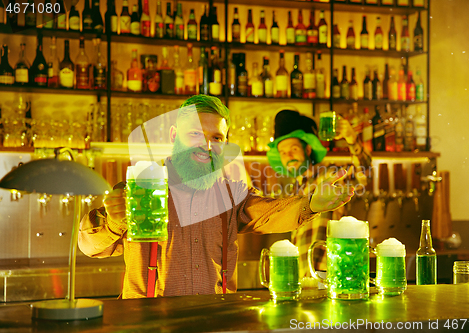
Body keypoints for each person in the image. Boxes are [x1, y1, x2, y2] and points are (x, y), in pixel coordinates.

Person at [78, 95, 354, 299]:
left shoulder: (232, 194)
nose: (207, 146)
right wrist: (114, 220)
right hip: (148, 324)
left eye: (217, 138)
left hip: (216, 321)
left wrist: (313, 203)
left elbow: (270, 213)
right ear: (175, 135)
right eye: (195, 133)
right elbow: (89, 246)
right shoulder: (142, 188)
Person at [266, 109, 372, 278]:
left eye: (293, 149)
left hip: (330, 274)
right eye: (283, 153)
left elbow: (363, 176)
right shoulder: (294, 190)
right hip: (303, 280)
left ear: (308, 150)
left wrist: (352, 140)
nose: (289, 156)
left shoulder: (329, 176)